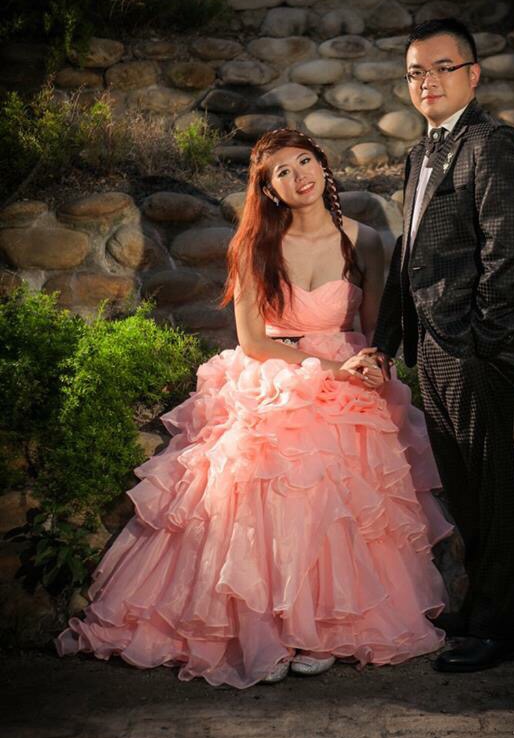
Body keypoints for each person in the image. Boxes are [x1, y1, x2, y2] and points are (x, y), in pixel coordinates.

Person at [56, 128, 452, 689]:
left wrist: (370, 364)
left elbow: (374, 330)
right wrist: (327, 368)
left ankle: (321, 629)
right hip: (275, 371)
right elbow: (254, 341)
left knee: (333, 490)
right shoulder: (254, 245)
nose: (299, 176)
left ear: (323, 165)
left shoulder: (363, 240)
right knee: (257, 479)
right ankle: (269, 631)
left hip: (345, 378)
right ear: (268, 189)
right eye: (282, 172)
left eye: (305, 161)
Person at [373, 18, 514, 673]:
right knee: (465, 488)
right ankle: (479, 612)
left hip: (470, 349)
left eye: (442, 67)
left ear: (472, 74)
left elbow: (508, 249)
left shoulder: (492, 144)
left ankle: (504, 630)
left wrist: (485, 344)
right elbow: (409, 254)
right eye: (417, 71)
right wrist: (387, 341)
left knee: (492, 488)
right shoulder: (422, 153)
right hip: (431, 345)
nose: (428, 82)